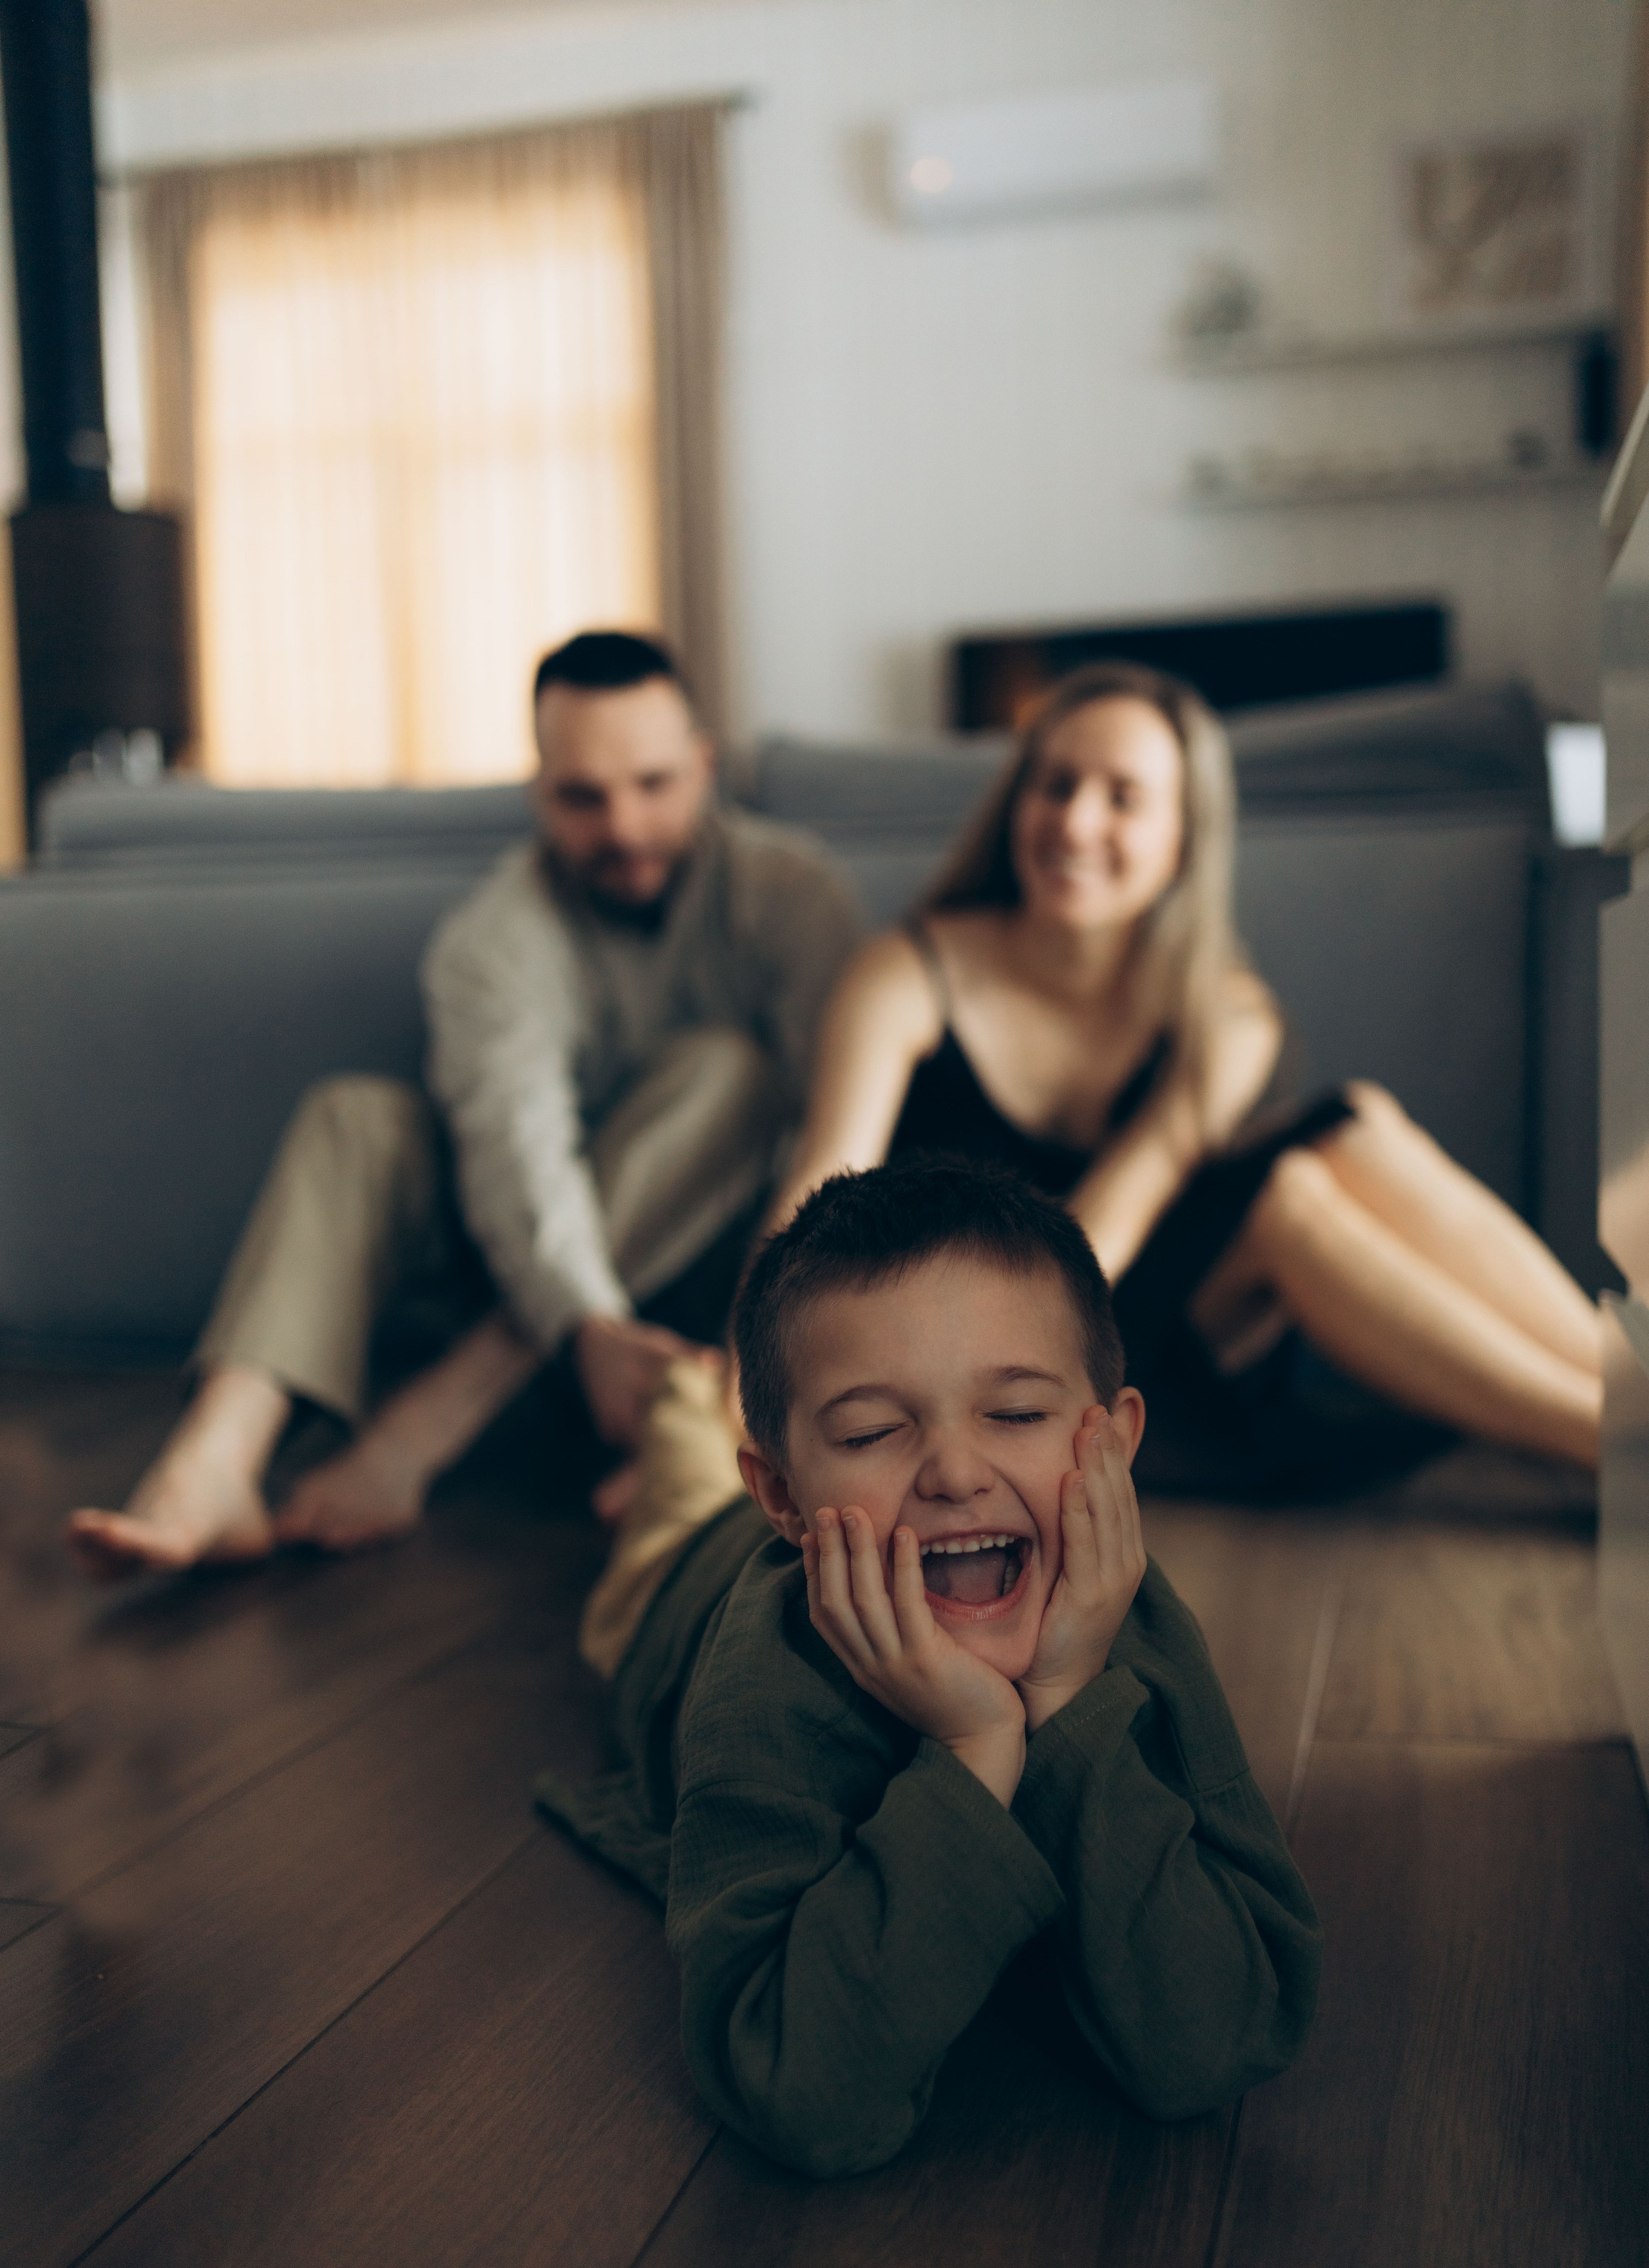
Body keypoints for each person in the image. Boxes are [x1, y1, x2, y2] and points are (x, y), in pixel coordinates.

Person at [537, 1157, 1321, 2178]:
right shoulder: (765, 1679)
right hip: (677, 1585)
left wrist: (1069, 1700)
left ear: (1114, 1444)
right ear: (784, 1495)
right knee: (680, 1458)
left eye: (1018, 1414)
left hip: (781, 1525)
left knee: (699, 1434)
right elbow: (798, 2085)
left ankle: (704, 1404)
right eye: (871, 1431)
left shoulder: (1134, 1622)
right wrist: (976, 1749)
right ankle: (680, 1400)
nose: (954, 1472)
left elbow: (1224, 2036)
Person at [66, 631, 864, 1581]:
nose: (622, 827)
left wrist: (755, 1373)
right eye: (583, 796)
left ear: (703, 765)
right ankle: (214, 1460)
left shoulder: (796, 894)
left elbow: (843, 1135)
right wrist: (584, 1326)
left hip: (713, 1315)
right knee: (353, 1116)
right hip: (542, 1300)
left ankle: (430, 1429)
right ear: (539, 794)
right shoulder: (491, 938)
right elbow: (514, 1151)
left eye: (653, 784)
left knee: (733, 1071)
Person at [752, 662, 1602, 1491]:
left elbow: (1120, 1216)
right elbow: (815, 1197)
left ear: (1183, 839)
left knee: (1357, 1128)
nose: (1077, 822)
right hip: (1020, 1352)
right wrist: (752, 1392)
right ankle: (1611, 1442)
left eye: (1122, 797)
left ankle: (1625, 1399)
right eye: (1055, 785)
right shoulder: (906, 975)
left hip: (1156, 1311)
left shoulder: (1227, 1013)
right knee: (1287, 1205)